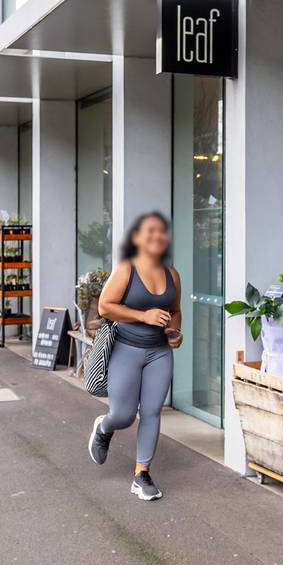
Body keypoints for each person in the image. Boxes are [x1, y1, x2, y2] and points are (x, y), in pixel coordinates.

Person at [88, 212, 183, 500]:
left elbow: (175, 311)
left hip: (159, 353)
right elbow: (105, 306)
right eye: (150, 231)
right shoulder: (126, 270)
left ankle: (142, 474)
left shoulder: (172, 274)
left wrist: (174, 332)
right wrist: (143, 315)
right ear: (138, 238)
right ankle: (104, 427)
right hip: (126, 348)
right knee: (124, 415)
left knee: (152, 412)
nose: (157, 236)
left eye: (161, 231)